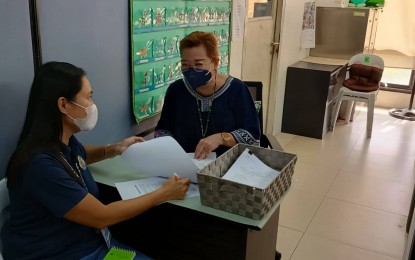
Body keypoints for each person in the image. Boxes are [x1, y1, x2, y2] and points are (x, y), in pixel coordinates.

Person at [1, 62, 190, 260]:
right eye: (88, 97)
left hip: (89, 244)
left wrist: (112, 149)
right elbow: (102, 216)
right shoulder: (39, 165)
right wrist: (163, 193)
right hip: (62, 254)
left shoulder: (63, 142)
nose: (92, 105)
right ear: (64, 104)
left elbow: (81, 155)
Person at [155, 31, 261, 159]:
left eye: (199, 64)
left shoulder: (237, 90)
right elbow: (163, 130)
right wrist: (160, 145)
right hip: (183, 165)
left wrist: (221, 138)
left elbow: (252, 137)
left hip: (227, 166)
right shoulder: (176, 90)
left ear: (215, 63)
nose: (191, 70)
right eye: (185, 65)